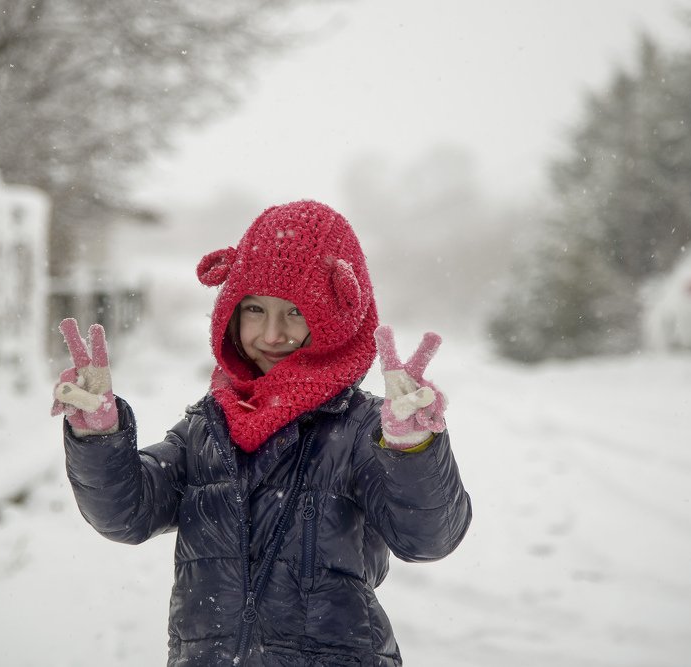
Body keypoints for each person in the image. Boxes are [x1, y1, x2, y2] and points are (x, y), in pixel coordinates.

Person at [52, 200, 472, 666]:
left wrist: (412, 448)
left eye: (295, 311)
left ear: (337, 313)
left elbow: (429, 539)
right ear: (230, 313)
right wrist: (98, 438)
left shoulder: (363, 430)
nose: (272, 334)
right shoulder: (206, 428)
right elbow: (126, 515)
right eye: (254, 309)